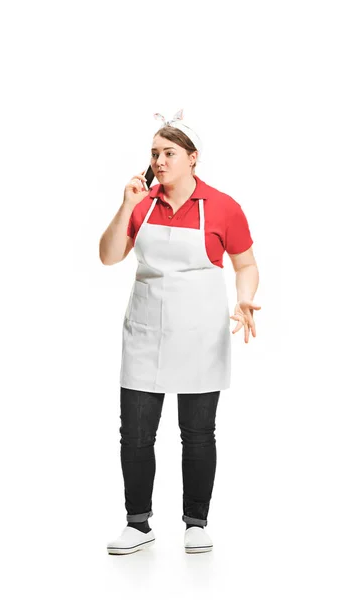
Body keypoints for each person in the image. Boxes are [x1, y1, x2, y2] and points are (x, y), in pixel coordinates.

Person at [99, 109, 261, 555]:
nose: (159, 161)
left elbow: (245, 263)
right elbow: (109, 256)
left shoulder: (223, 206)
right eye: (154, 154)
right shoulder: (143, 204)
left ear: (193, 158)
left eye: (169, 153)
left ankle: (196, 522)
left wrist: (244, 297)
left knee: (198, 433)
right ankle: (137, 523)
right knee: (134, 434)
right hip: (145, 333)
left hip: (199, 336)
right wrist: (126, 205)